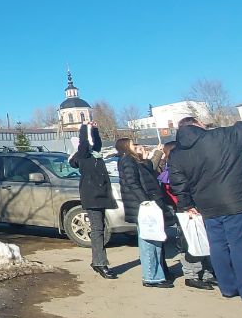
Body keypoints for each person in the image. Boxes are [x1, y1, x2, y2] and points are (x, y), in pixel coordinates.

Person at [169, 106, 242, 304]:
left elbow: (177, 182)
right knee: (240, 246)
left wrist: (186, 204)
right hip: (236, 201)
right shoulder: (222, 137)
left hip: (207, 206)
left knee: (218, 247)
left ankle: (228, 287)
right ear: (197, 124)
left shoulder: (176, 154)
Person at [158, 141, 216, 290]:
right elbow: (175, 193)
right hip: (184, 212)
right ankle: (192, 275)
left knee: (203, 240)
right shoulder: (170, 172)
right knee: (189, 243)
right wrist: (186, 206)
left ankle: (208, 272)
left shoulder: (180, 168)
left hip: (194, 209)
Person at [116, 137, 171, 288]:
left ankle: (157, 274)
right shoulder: (127, 160)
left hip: (146, 203)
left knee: (154, 241)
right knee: (148, 242)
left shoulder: (134, 161)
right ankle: (151, 277)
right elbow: (132, 182)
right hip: (144, 206)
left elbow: (149, 166)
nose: (136, 147)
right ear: (126, 146)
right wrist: (145, 201)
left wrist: (156, 153)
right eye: (133, 145)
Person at [68, 123, 116, 279]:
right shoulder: (82, 156)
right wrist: (84, 128)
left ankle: (98, 261)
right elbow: (84, 145)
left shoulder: (95, 155)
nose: (91, 146)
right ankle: (100, 263)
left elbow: (97, 144)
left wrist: (94, 129)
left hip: (101, 195)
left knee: (100, 229)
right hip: (91, 196)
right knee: (97, 230)